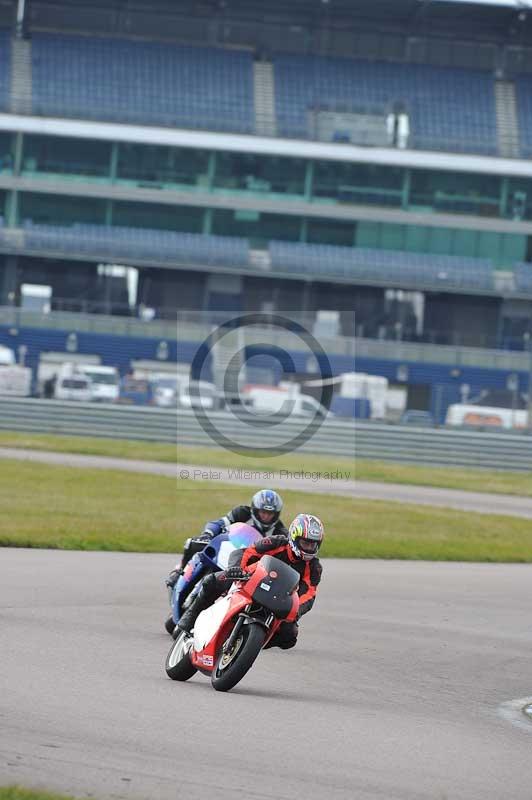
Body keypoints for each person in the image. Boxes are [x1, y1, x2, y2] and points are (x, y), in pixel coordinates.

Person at [176, 513, 324, 651]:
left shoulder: (314, 567)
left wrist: (295, 611)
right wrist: (237, 570)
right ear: (294, 537)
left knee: (290, 635)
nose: (309, 548)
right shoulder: (276, 542)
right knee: (211, 581)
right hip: (250, 579)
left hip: (279, 599)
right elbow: (246, 552)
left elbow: (309, 594)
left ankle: (250, 643)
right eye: (305, 543)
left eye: (313, 545)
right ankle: (189, 620)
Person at [165, 489, 286, 589]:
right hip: (227, 547)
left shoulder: (279, 532)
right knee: (193, 544)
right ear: (255, 509)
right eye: (263, 512)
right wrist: (207, 534)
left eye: (270, 513)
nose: (266, 516)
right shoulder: (242, 513)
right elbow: (218, 523)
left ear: (276, 514)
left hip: (247, 562)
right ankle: (179, 572)